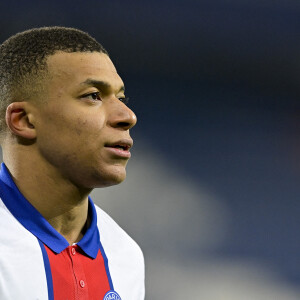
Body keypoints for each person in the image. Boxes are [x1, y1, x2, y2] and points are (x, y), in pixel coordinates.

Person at [0, 27, 144, 300]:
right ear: (24, 120)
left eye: (121, 98)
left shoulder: (125, 256)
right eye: (93, 95)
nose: (127, 116)